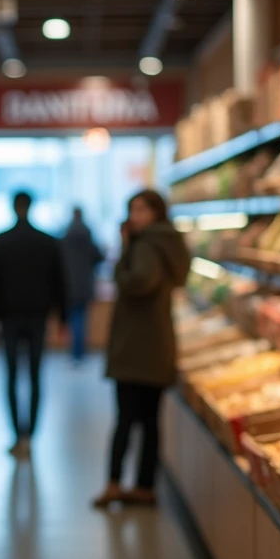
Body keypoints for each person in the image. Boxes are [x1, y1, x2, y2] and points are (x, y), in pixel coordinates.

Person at [94, 189, 190, 508]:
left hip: (135, 345)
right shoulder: (169, 242)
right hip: (158, 342)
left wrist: (123, 252)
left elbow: (137, 282)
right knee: (150, 422)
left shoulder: (145, 244)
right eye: (131, 208)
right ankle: (145, 486)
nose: (134, 215)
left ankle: (113, 483)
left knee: (125, 419)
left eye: (141, 209)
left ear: (156, 213)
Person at [0, 191, 64, 456]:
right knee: (34, 375)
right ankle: (30, 436)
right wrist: (62, 317)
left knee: (10, 375)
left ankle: (16, 434)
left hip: (8, 317)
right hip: (37, 316)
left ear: (13, 206)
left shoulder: (0, 241)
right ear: (31, 206)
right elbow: (59, 282)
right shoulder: (47, 241)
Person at [61, 207, 105, 364]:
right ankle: (80, 352)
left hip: (69, 285)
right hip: (85, 285)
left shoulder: (65, 237)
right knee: (82, 319)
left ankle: (74, 352)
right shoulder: (89, 237)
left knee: (73, 319)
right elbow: (99, 257)